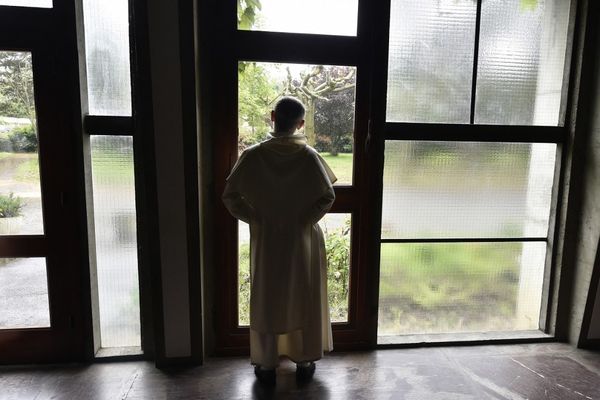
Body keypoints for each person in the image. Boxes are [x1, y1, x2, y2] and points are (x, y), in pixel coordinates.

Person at [222, 96, 336, 385]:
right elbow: (327, 196)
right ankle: (305, 357)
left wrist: (257, 218)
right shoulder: (309, 157)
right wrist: (304, 219)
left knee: (268, 295)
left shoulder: (253, 156)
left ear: (272, 116)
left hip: (268, 237)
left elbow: (230, 196)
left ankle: (267, 362)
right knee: (303, 293)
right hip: (302, 238)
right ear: (300, 123)